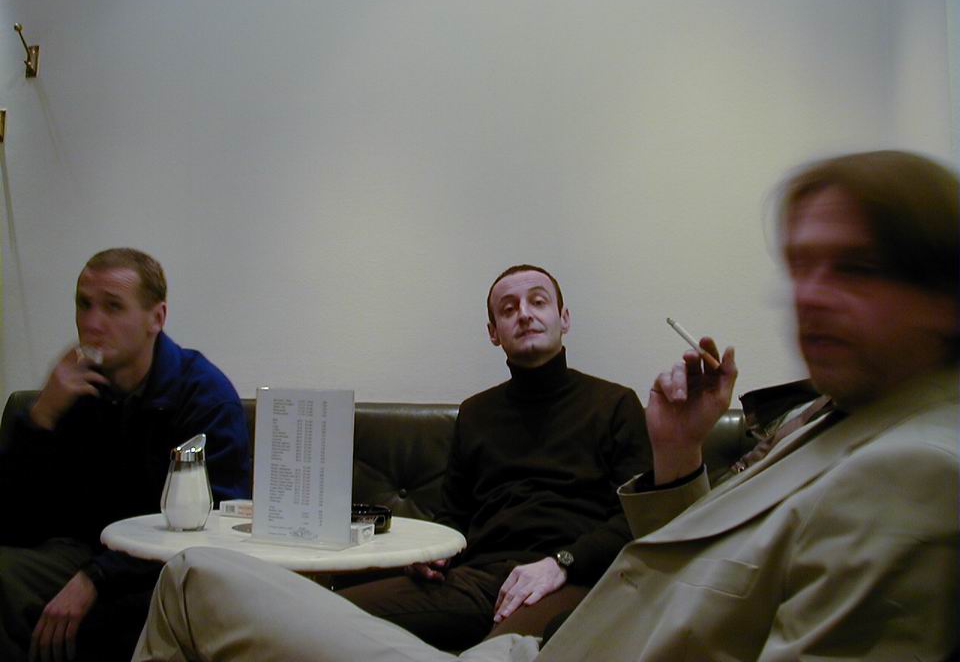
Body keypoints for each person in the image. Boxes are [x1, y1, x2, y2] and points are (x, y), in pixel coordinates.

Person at [132, 150, 958, 661]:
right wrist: (677, 449)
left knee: (192, 583)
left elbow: (644, 556)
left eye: (854, 268)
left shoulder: (911, 471)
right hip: (498, 596)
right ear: (491, 331)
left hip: (565, 613)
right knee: (201, 578)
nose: (810, 296)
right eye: (801, 266)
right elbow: (677, 550)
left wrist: (561, 562)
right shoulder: (824, 418)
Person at [336, 264, 650, 648]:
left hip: (570, 578)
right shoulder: (475, 413)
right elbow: (454, 516)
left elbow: (636, 519)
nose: (525, 314)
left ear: (564, 318)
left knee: (503, 654)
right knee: (324, 616)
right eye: (509, 308)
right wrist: (435, 554)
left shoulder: (615, 404)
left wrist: (563, 562)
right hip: (477, 580)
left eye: (538, 302)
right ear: (493, 333)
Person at [0, 248, 251, 662]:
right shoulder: (76, 389)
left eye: (113, 307)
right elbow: (16, 524)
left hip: (165, 569)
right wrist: (42, 416)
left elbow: (211, 529)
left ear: (157, 318)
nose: (92, 323)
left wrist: (97, 578)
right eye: (84, 304)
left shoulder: (203, 397)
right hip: (84, 552)